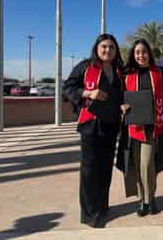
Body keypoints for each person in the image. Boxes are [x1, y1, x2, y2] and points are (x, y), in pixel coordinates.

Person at [63, 34, 124, 228]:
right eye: (104, 47)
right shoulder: (85, 66)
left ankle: (102, 207)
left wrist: (123, 105)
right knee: (90, 170)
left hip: (111, 125)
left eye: (112, 47)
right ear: (97, 48)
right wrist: (89, 93)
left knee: (105, 168)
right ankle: (89, 214)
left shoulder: (118, 70)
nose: (108, 50)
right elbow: (68, 87)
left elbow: (122, 94)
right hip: (91, 124)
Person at [116, 39, 163, 217]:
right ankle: (143, 200)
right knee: (136, 166)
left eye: (144, 52)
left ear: (149, 54)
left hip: (153, 127)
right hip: (132, 128)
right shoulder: (126, 74)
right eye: (137, 52)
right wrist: (120, 106)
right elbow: (118, 96)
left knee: (147, 164)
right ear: (133, 55)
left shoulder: (160, 72)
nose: (141, 55)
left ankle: (149, 199)